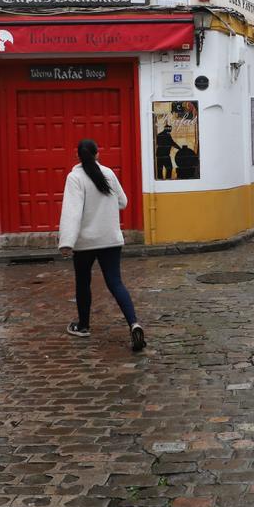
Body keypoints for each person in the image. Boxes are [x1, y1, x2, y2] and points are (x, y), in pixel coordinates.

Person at [58, 139, 146, 352]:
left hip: (85, 243)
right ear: (98, 154)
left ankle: (84, 325)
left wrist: (66, 242)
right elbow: (123, 202)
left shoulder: (75, 178)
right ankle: (134, 323)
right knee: (116, 283)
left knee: (83, 282)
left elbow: (72, 211)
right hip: (110, 239)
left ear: (77, 156)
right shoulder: (109, 174)